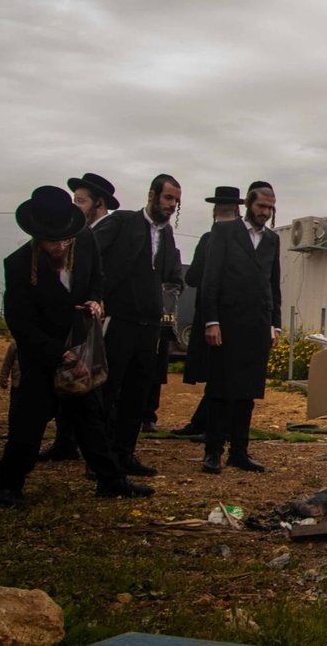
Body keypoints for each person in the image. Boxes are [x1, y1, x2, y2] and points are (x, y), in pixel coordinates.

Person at [0, 186, 152, 506]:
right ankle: (7, 484)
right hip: (42, 354)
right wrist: (57, 353)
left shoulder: (85, 240)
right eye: (53, 241)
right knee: (29, 423)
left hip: (79, 348)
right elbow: (19, 323)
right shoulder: (18, 264)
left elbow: (97, 278)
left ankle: (111, 481)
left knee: (90, 417)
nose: (60, 246)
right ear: (37, 236)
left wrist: (95, 300)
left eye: (65, 240)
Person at [92, 174, 183, 477]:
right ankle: (100, 459)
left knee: (137, 392)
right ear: (152, 195)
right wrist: (96, 296)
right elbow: (92, 254)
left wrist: (168, 304)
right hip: (118, 320)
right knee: (108, 390)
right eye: (168, 198)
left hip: (149, 326)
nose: (172, 205)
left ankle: (124, 453)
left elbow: (172, 277)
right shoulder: (122, 222)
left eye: (176, 201)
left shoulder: (167, 235)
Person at [198, 183, 281, 474]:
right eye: (261, 206)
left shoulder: (272, 240)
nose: (265, 212)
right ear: (248, 204)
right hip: (227, 323)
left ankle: (239, 452)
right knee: (221, 390)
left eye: (270, 207)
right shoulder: (225, 232)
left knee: (247, 393)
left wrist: (275, 324)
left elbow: (273, 285)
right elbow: (211, 279)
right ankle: (213, 452)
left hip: (257, 325)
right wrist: (212, 320)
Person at [39, 172, 120, 463]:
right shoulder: (77, 231)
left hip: (94, 319)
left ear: (98, 203)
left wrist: (97, 300)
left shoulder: (106, 230)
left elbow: (102, 275)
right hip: (69, 319)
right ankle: (66, 441)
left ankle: (94, 454)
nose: (75, 207)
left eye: (80, 201)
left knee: (90, 385)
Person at [174, 185, 244, 440]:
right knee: (218, 373)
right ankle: (204, 421)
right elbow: (193, 277)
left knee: (222, 374)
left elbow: (193, 276)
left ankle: (211, 424)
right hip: (215, 314)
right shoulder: (215, 239)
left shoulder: (218, 239)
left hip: (226, 315)